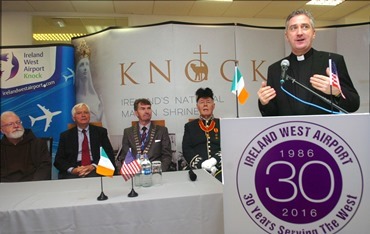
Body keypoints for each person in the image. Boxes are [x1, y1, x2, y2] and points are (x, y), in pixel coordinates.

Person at [257, 9, 359, 116]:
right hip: (289, 131)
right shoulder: (275, 69)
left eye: (305, 27)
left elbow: (354, 105)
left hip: (324, 131)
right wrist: (264, 102)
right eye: (293, 28)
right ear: (287, 36)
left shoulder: (332, 61)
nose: (299, 33)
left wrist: (337, 93)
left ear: (313, 33)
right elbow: (271, 115)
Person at [54, 103, 115, 179]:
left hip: (95, 167)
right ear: (74, 118)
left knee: (100, 176)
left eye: (86, 112)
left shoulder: (100, 132)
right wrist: (73, 170)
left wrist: (93, 166)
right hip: (75, 168)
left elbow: (109, 154)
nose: (83, 115)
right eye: (79, 113)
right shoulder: (65, 136)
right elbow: (58, 160)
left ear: (89, 116)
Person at [116, 98, 172, 172]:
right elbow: (125, 156)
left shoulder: (162, 130)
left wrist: (158, 170)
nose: (146, 111)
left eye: (148, 108)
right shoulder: (128, 132)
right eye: (142, 109)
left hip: (156, 171)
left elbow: (167, 156)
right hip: (135, 173)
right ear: (136, 113)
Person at [182, 87, 222, 182]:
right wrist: (201, 164)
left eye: (208, 102)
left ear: (213, 105)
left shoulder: (222, 124)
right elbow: (186, 149)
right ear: (197, 106)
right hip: (197, 169)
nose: (205, 105)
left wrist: (215, 161)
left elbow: (228, 147)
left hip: (220, 169)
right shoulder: (190, 126)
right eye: (201, 102)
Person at [1, 111, 51, 182]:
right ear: (2, 130)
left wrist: (33, 185)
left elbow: (44, 167)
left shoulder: (38, 144)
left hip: (32, 186)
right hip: (4, 188)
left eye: (18, 122)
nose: (16, 126)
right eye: (10, 124)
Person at [75, 40, 107, 125]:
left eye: (87, 65)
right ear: (78, 70)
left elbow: (103, 124)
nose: (85, 68)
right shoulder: (73, 97)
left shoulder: (96, 97)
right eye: (82, 65)